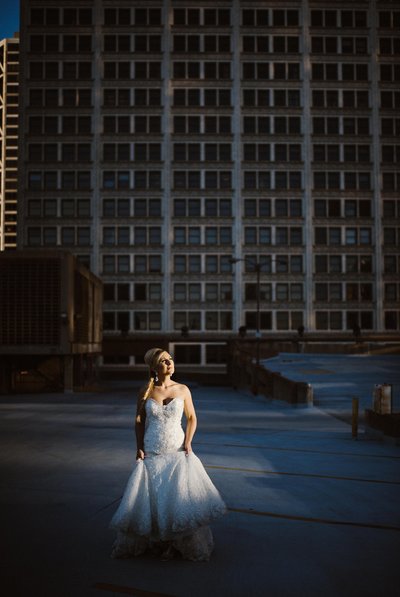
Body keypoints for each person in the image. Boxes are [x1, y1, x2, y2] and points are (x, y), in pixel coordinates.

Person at [110, 347, 226, 561]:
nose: (169, 363)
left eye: (170, 359)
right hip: (152, 447)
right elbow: (139, 420)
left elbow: (192, 418)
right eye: (163, 361)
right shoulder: (146, 390)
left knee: (176, 497)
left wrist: (189, 442)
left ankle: (175, 543)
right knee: (154, 497)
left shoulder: (182, 389)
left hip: (176, 448)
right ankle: (158, 540)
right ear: (154, 367)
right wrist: (138, 446)